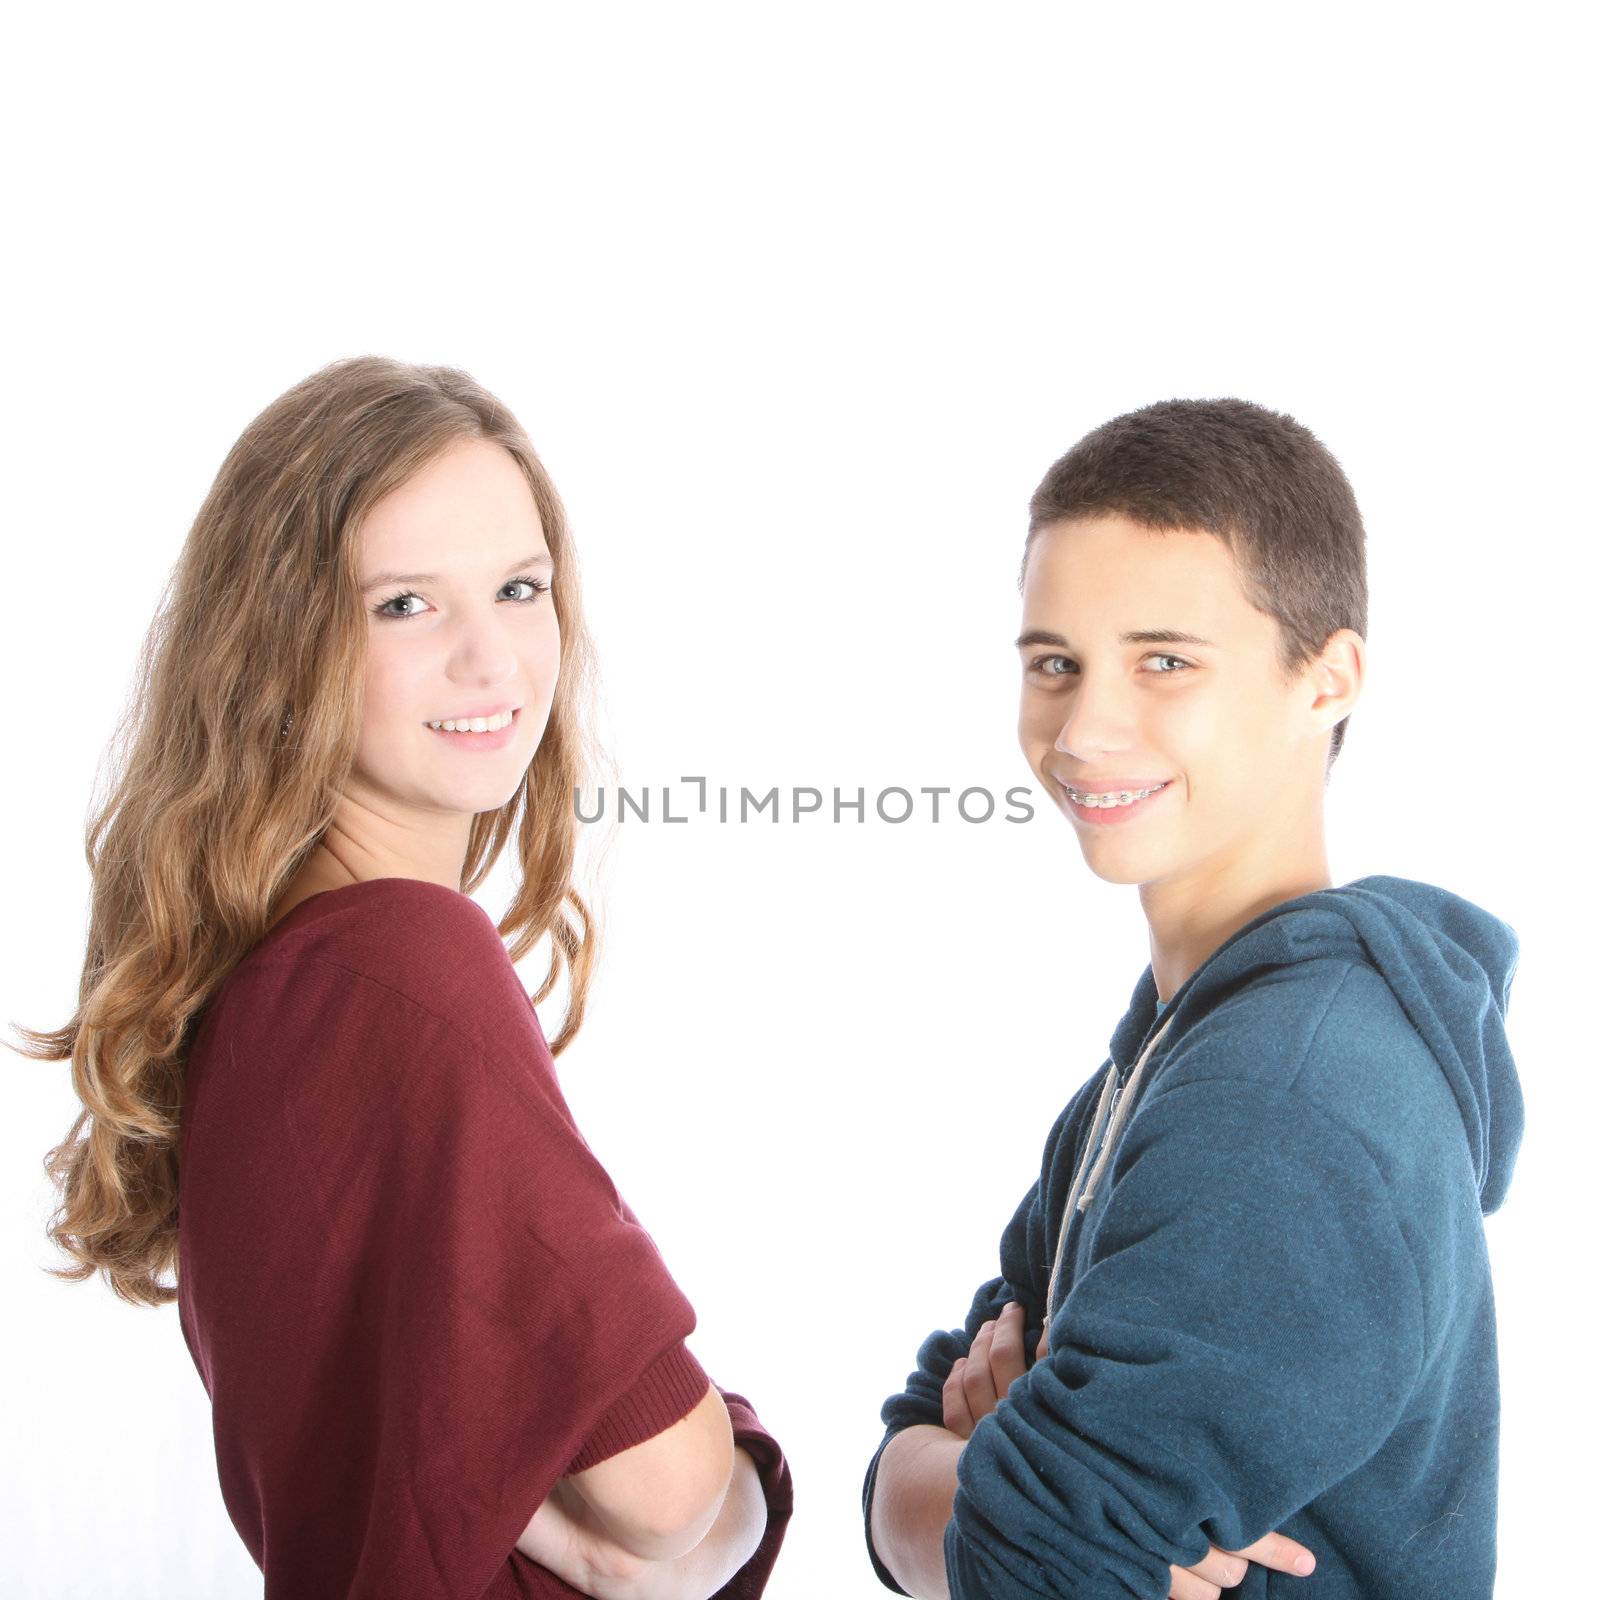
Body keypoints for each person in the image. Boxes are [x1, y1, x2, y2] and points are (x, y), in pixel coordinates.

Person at [18, 355, 793, 1599]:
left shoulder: (261, 993)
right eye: (404, 606)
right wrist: (739, 1478)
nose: (493, 661)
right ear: (279, 650)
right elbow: (671, 1493)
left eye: (519, 587)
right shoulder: (401, 967)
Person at [861, 398, 1523, 1599]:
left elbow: (1029, 1559)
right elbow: (916, 1434)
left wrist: (1001, 1487)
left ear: (1327, 680)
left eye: (1164, 661)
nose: (1085, 726)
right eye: (1055, 663)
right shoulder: (1177, 1049)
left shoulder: (1286, 1095)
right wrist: (977, 1486)